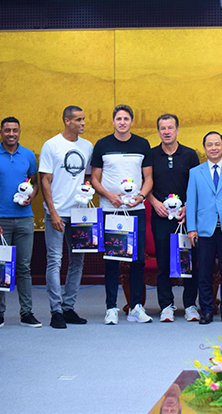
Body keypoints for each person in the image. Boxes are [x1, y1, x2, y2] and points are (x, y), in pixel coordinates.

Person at [90, 104, 154, 325]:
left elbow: (148, 178)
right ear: (113, 121)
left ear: (132, 121)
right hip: (111, 210)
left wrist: (141, 197)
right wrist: (109, 195)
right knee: (112, 261)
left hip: (135, 210)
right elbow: (94, 179)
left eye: (126, 118)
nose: (122, 122)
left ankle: (136, 307)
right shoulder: (102, 145)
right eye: (119, 118)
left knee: (137, 260)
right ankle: (111, 308)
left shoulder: (142, 144)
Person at [0, 117, 41, 328]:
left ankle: (27, 313)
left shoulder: (28, 155)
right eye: (7, 130)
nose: (11, 134)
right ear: (1, 132)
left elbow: (35, 183)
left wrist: (31, 197)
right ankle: (0, 313)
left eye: (15, 130)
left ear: (19, 132)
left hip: (25, 219)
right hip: (0, 221)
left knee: (24, 267)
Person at [39, 106, 93, 329]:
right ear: (66, 121)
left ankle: (69, 307)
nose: (82, 123)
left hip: (79, 213)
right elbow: (45, 180)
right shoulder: (51, 145)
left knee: (77, 260)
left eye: (83, 119)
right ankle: (56, 311)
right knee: (55, 260)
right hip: (58, 212)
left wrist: (86, 191)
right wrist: (52, 212)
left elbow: (87, 176)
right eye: (78, 120)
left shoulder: (87, 146)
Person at [186, 131, 222, 325]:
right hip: (204, 230)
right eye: (209, 144)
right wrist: (191, 228)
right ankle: (207, 311)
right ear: (205, 148)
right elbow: (192, 202)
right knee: (204, 273)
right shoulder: (195, 172)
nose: (213, 148)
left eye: (217, 144)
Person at [146, 114, 200, 323]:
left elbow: (195, 185)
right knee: (163, 262)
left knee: (189, 262)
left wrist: (188, 207)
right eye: (162, 128)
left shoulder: (189, 155)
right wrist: (153, 201)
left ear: (177, 130)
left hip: (184, 219)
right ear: (158, 131)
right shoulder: (151, 155)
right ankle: (166, 305)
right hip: (160, 218)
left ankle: (190, 305)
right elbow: (146, 183)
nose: (166, 131)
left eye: (170, 127)